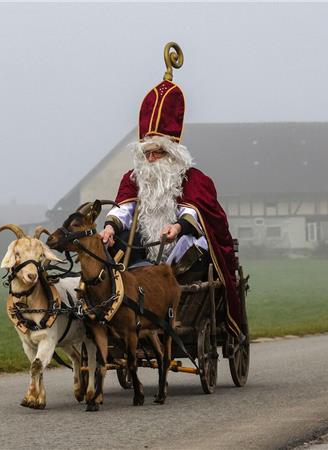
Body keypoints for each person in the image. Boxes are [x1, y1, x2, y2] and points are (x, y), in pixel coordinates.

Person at [98, 71, 245, 337]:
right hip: (146, 249)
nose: (152, 159)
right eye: (147, 153)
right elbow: (124, 208)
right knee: (114, 249)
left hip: (182, 246)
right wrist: (109, 227)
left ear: (173, 154)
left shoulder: (194, 179)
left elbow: (195, 213)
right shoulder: (134, 178)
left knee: (190, 245)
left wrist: (178, 228)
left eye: (158, 153)